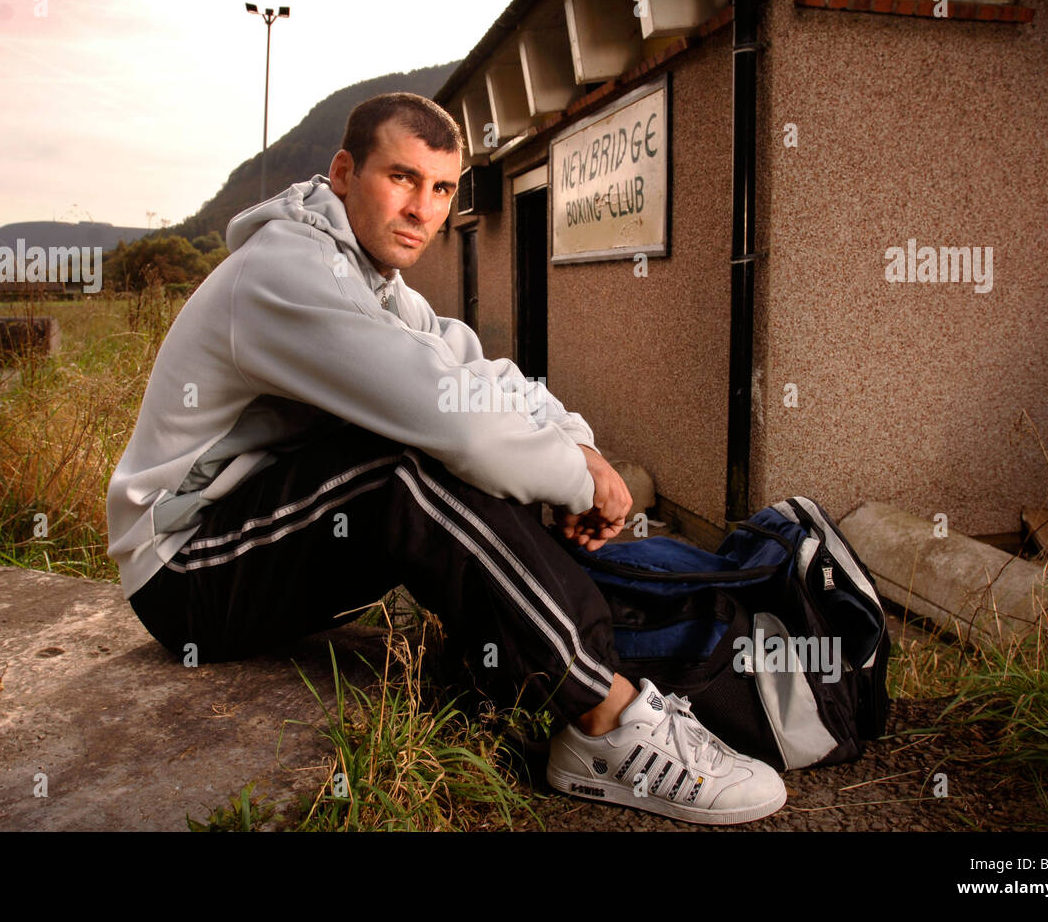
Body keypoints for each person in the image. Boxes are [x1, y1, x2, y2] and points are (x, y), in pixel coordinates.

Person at [106, 91, 786, 826]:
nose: (421, 209)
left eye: (441, 188)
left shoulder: (377, 285)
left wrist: (579, 444)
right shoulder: (283, 274)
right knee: (407, 464)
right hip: (184, 575)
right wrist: (577, 483)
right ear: (342, 173)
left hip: (260, 542)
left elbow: (479, 375)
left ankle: (516, 669)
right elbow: (456, 428)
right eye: (400, 178)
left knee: (457, 441)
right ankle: (607, 720)